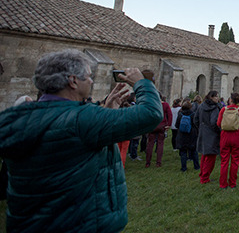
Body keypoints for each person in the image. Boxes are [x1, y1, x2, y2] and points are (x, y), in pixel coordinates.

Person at [0, 49, 162, 232]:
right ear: (73, 81)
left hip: (30, 222)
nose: (92, 81)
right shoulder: (82, 120)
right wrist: (142, 83)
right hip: (77, 223)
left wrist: (104, 112)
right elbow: (151, 113)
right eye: (88, 76)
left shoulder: (16, 119)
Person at [217, 92, 239, 188]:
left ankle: (223, 183)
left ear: (230, 100)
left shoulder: (223, 109)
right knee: (235, 160)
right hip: (236, 135)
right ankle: (232, 183)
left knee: (224, 160)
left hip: (225, 135)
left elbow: (218, 123)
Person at [195, 90, 222, 183]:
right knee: (210, 157)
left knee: (204, 155)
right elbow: (214, 122)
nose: (217, 98)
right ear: (211, 97)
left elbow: (196, 119)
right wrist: (219, 131)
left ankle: (202, 174)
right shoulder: (214, 108)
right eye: (216, 97)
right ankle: (205, 178)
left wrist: (201, 128)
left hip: (203, 132)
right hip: (212, 134)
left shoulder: (201, 106)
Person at [145, 91, 173, 168]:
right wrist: (168, 125)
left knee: (150, 143)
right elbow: (170, 114)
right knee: (160, 143)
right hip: (162, 125)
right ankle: (158, 162)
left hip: (153, 125)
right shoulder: (165, 105)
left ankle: (148, 162)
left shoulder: (151, 104)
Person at [175, 99, 200, 172]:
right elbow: (196, 124)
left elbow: (177, 125)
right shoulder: (193, 114)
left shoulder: (180, 114)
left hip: (182, 135)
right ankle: (196, 166)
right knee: (194, 152)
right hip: (192, 135)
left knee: (183, 152)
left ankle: (184, 168)